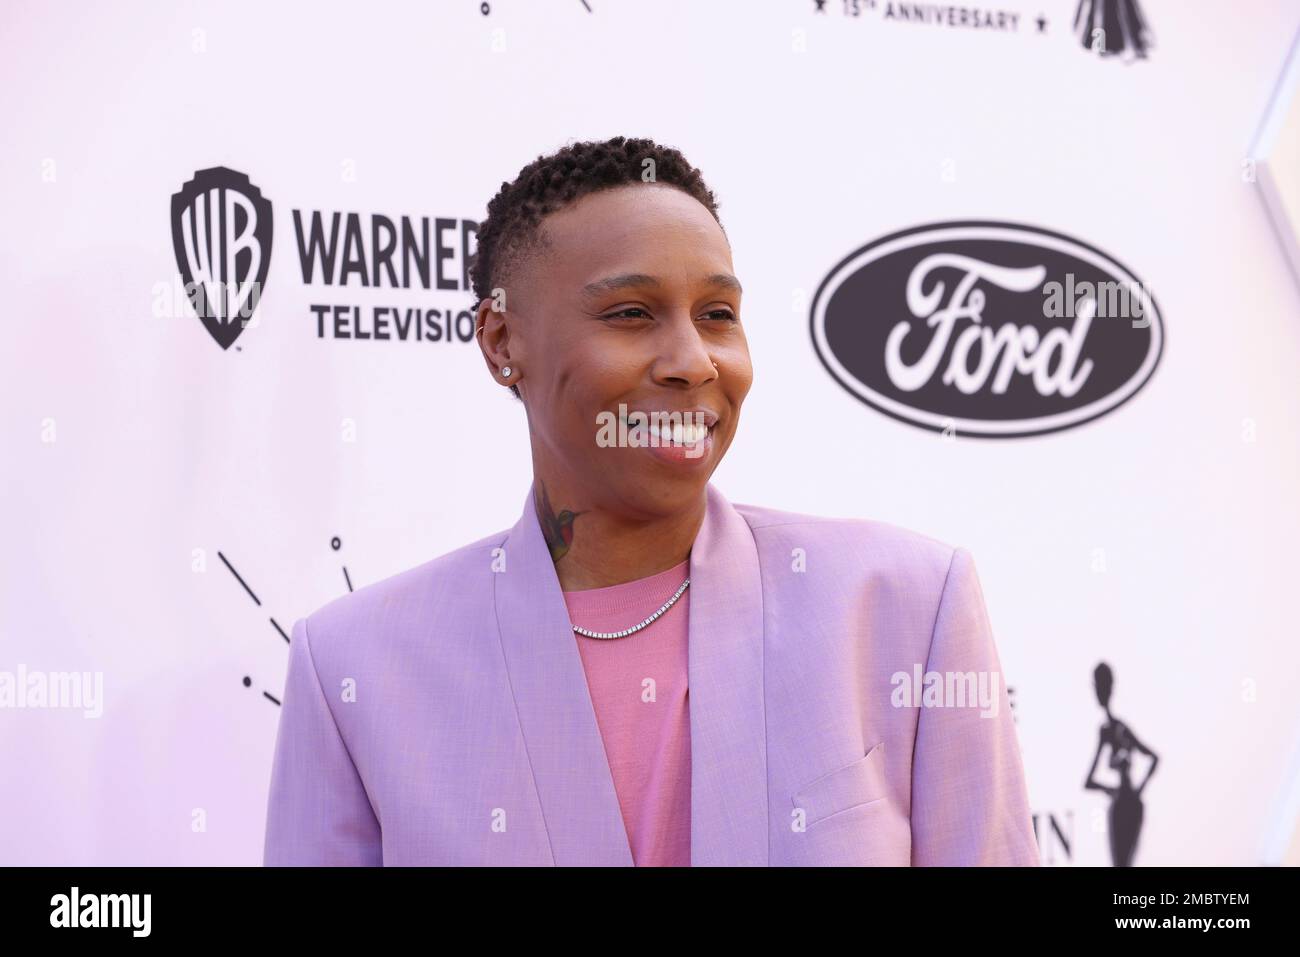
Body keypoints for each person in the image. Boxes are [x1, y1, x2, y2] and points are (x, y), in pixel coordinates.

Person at [263, 135, 1039, 866]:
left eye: (718, 315)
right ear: (503, 342)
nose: (693, 361)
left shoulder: (903, 603)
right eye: (631, 313)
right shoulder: (355, 668)